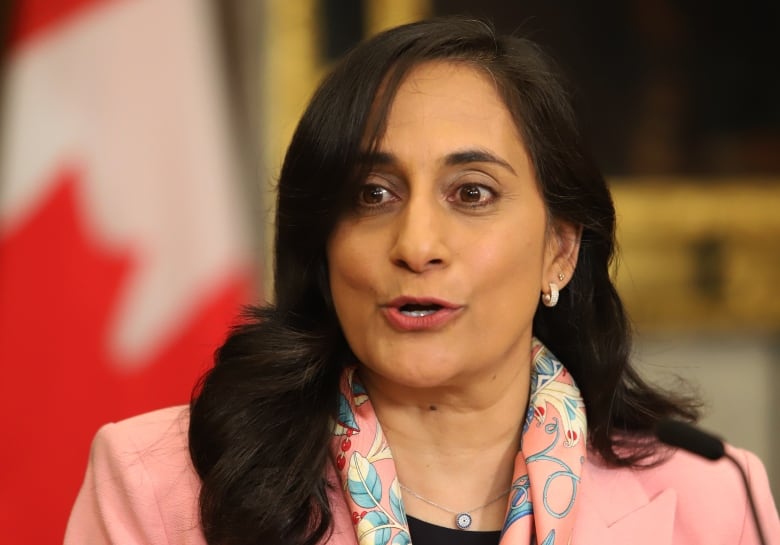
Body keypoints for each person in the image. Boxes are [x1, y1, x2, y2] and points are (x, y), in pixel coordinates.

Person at [64, 17, 779, 545]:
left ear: (559, 251)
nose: (416, 245)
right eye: (373, 195)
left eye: (472, 193)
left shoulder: (712, 497)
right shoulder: (159, 487)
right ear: (325, 241)